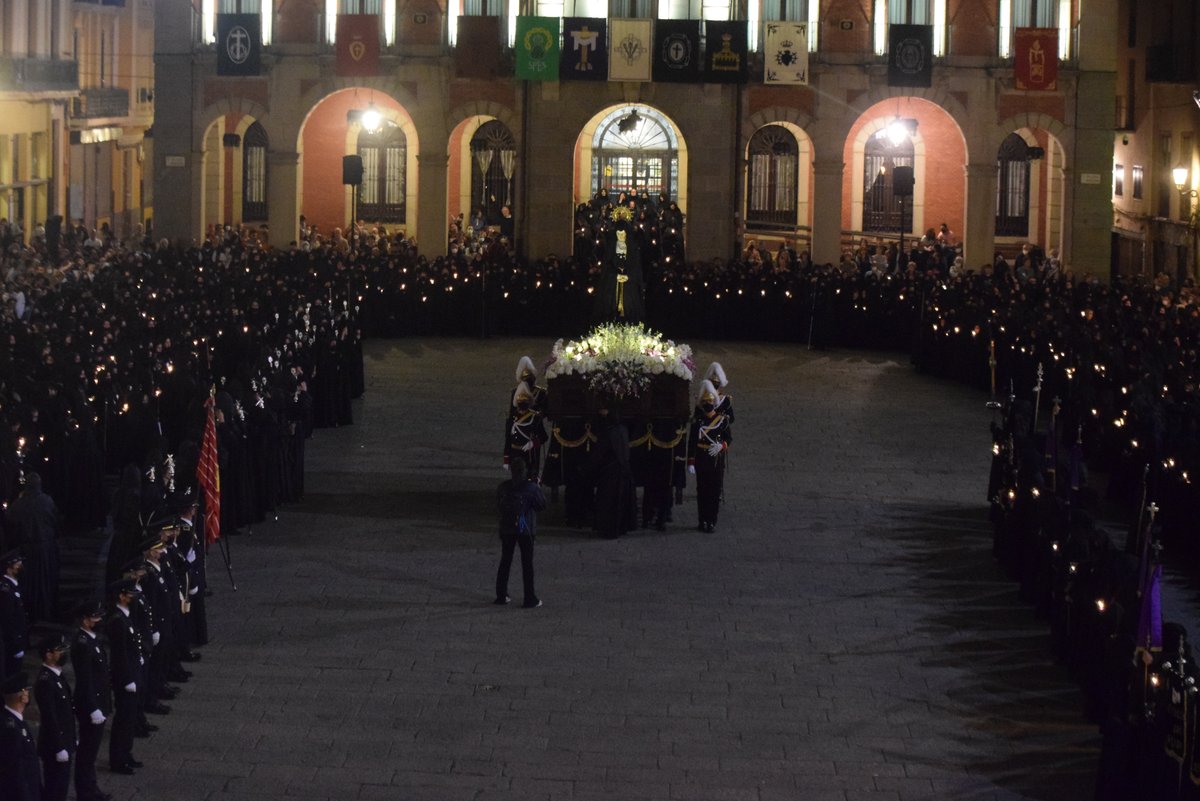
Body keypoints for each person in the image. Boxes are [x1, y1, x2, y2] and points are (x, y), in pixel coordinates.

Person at [5, 473, 61, 622]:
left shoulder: (19, 504)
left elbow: (10, 524)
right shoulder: (47, 501)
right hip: (45, 548)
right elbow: (54, 520)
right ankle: (46, 610)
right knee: (45, 581)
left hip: (27, 550)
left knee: (29, 583)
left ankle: (31, 611)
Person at [70, 601, 111, 801]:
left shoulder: (91, 639)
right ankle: (85, 792)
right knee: (87, 752)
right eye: (95, 617)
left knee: (91, 751)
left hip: (99, 700)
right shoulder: (82, 644)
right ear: (85, 621)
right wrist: (93, 707)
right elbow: (85, 680)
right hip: (90, 704)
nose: (99, 620)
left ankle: (91, 787)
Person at [494, 458, 546, 608]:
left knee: (505, 560)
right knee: (527, 563)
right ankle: (529, 597)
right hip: (525, 529)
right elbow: (542, 505)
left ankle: (501, 594)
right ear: (524, 471)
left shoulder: (503, 487)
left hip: (507, 527)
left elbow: (498, 504)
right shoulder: (531, 488)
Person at [105, 580, 142, 775]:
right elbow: (119, 655)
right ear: (121, 596)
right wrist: (127, 679)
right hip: (125, 678)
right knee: (123, 720)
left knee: (129, 719)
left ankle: (126, 753)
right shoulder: (117, 621)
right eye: (130, 593)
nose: (134, 596)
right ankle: (118, 759)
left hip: (133, 673)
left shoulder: (125, 617)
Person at [33, 634, 74, 801]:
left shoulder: (57, 675)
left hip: (64, 740)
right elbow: (50, 716)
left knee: (62, 786)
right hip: (54, 745)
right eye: (59, 650)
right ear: (48, 654)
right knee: (54, 789)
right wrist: (59, 746)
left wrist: (71, 738)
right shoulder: (46, 681)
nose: (63, 653)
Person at [688, 380, 732, 533]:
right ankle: (702, 520)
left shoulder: (722, 421)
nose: (708, 404)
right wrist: (691, 461)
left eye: (710, 401)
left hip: (715, 461)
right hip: (701, 458)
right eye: (705, 402)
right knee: (702, 491)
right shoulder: (698, 422)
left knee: (714, 492)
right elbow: (692, 442)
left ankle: (711, 521)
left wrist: (722, 446)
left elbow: (729, 439)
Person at [590, 405, 637, 539]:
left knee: (609, 503)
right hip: (624, 471)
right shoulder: (623, 429)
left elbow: (599, 453)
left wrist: (586, 467)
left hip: (610, 473)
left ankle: (609, 530)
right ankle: (621, 528)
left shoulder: (607, 432)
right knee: (621, 501)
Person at [0, 671, 40, 801]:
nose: (28, 693)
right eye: (26, 691)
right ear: (22, 697)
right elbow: (16, 768)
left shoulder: (14, 721)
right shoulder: (11, 728)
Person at [502, 382, 547, 478]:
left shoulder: (535, 418)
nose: (522, 410)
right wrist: (506, 459)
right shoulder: (512, 419)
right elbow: (508, 439)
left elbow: (543, 437)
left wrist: (533, 443)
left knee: (530, 477)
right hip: (515, 454)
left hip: (529, 455)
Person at [0, 550, 29, 679]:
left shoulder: (13, 585)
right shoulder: (6, 590)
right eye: (17, 564)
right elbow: (8, 620)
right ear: (8, 568)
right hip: (12, 642)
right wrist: (16, 644)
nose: (20, 566)